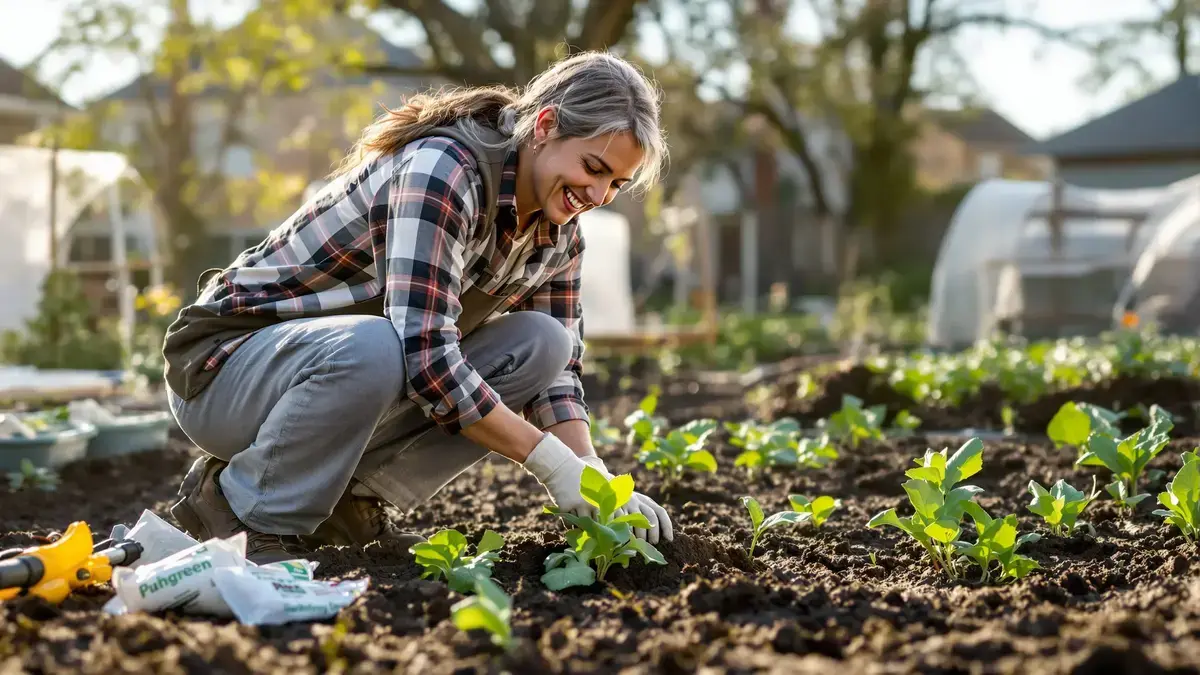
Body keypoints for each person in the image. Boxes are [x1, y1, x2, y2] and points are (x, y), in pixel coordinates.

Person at [161, 51, 675, 563]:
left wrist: (591, 469)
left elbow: (557, 374)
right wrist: (551, 465)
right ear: (544, 126)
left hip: (336, 379)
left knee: (542, 344)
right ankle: (241, 509)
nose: (599, 193)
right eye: (593, 167)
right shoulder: (443, 171)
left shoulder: (559, 236)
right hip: (222, 372)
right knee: (379, 345)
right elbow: (426, 358)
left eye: (616, 184)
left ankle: (350, 504)